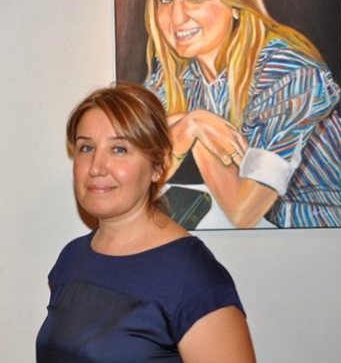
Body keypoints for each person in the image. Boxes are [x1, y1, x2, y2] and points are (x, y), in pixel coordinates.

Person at [36, 84, 255, 362]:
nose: (96, 167)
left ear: (158, 165)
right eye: (86, 147)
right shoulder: (71, 258)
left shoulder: (193, 277)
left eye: (119, 149)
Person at [143, 0, 341, 228]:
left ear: (235, 3)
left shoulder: (289, 74)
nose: (176, 19)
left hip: (323, 229)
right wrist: (190, 125)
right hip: (256, 233)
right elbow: (133, 175)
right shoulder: (176, 77)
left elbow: (244, 210)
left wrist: (193, 128)